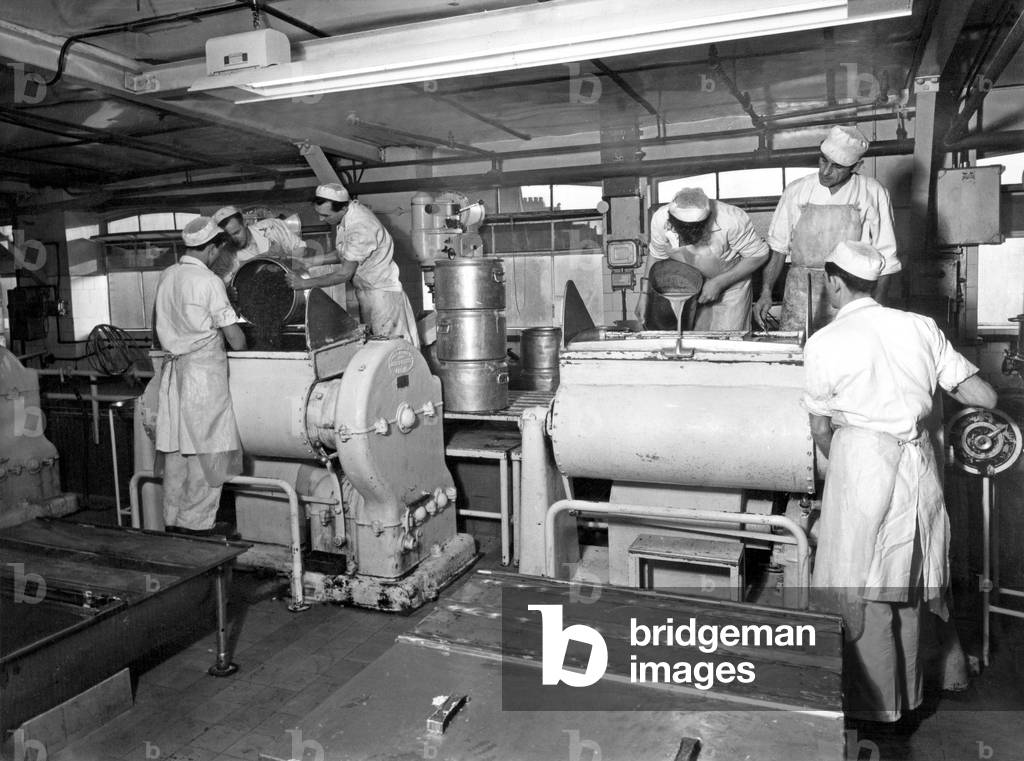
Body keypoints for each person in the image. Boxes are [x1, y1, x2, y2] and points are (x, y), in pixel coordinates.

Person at [802, 240, 997, 723]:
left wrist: (850, 458)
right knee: (907, 588)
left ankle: (876, 714)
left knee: (863, 592)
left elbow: (820, 429)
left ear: (834, 282)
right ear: (878, 284)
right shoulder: (921, 327)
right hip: (919, 468)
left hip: (862, 467)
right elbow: (985, 397)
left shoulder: (824, 341)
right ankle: (909, 704)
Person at [756, 125, 899, 333]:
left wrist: (876, 310)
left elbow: (887, 260)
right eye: (823, 160)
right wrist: (766, 292)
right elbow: (778, 248)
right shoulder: (797, 190)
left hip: (850, 292)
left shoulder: (872, 192)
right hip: (801, 290)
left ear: (856, 166)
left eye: (837, 167)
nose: (826, 171)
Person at [153, 217, 246, 536]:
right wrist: (245, 342)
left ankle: (173, 521)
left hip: (173, 373)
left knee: (176, 451)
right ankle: (197, 525)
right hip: (203, 377)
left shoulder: (168, 275)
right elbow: (235, 338)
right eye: (219, 250)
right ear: (211, 248)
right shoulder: (209, 281)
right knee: (208, 452)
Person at [287, 183, 420, 348]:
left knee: (391, 350)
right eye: (319, 214)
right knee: (372, 347)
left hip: (382, 297)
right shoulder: (348, 216)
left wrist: (304, 284)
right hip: (367, 293)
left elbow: (344, 274)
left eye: (326, 215)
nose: (321, 219)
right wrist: (313, 261)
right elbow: (345, 253)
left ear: (343, 208)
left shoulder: (361, 226)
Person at [635, 188, 769, 331]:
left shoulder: (732, 220)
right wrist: (644, 296)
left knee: (727, 339)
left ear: (706, 224)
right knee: (695, 338)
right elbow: (656, 255)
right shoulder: (660, 219)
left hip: (731, 287)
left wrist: (719, 282)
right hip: (692, 286)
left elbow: (759, 255)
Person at [210, 205, 306, 282]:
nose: (233, 239)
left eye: (236, 232)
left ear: (245, 222)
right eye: (227, 236)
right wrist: (265, 259)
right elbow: (223, 283)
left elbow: (300, 249)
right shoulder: (224, 255)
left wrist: (284, 259)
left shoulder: (271, 227)